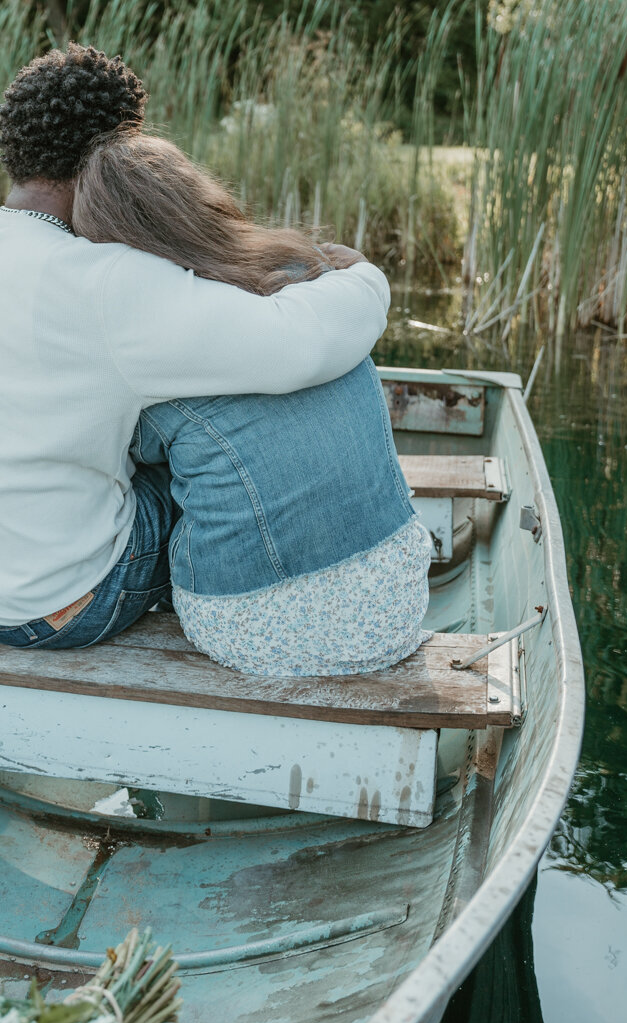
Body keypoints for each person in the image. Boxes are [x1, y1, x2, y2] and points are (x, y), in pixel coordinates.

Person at [0, 43, 392, 649]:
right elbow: (298, 345)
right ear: (122, 152)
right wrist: (362, 277)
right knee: (208, 436)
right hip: (56, 606)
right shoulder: (104, 278)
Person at [72, 130, 430, 676]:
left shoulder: (154, 338)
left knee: (138, 471)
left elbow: (114, 453)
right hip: (394, 604)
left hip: (248, 629)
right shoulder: (312, 273)